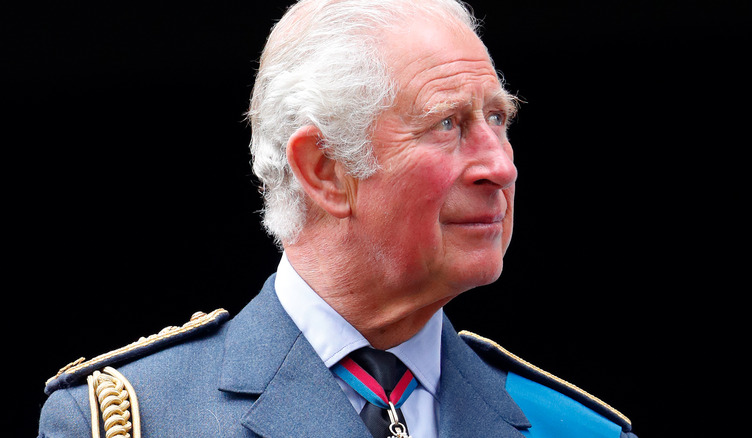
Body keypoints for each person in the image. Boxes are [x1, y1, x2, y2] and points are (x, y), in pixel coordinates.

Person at [38, 0, 637, 437]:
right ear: (324, 169)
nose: (499, 166)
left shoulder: (574, 428)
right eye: (447, 124)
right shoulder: (136, 419)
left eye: (499, 120)